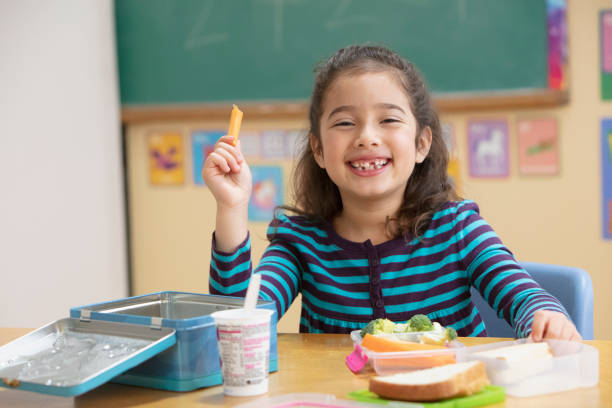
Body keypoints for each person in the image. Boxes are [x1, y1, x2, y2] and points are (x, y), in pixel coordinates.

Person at [202, 44, 581, 341]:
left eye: (388, 120)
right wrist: (232, 207)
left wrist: (544, 316)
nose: (367, 136)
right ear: (318, 150)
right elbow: (238, 322)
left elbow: (527, 297)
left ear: (421, 143)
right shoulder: (301, 243)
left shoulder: (459, 228)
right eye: (346, 122)